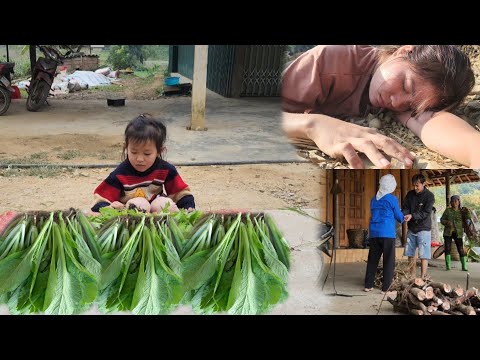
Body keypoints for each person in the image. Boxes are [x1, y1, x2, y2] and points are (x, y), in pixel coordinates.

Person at [282, 45, 478, 169]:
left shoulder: (410, 98)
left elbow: (437, 125)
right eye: (405, 85)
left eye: (412, 105)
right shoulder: (329, 61)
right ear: (404, 51)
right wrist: (313, 125)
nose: (398, 103)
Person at [91, 113, 195, 213]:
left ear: (159, 151)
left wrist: (188, 208)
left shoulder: (166, 170)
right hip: (132, 217)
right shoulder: (119, 174)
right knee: (139, 204)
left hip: (158, 214)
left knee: (163, 204)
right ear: (126, 147)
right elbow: (101, 199)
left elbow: (180, 193)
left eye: (147, 153)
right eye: (134, 152)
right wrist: (110, 208)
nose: (140, 159)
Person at [364, 174, 404, 293]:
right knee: (388, 261)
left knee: (372, 260)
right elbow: (398, 215)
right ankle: (386, 287)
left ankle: (368, 285)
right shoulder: (392, 199)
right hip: (387, 233)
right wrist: (403, 218)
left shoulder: (373, 199)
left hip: (374, 233)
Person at [402, 174, 435, 279]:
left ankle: (423, 277)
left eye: (417, 185)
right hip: (411, 228)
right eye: (414, 186)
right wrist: (405, 214)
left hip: (424, 228)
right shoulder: (410, 194)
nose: (415, 188)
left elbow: (426, 213)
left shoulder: (429, 196)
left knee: (424, 254)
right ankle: (412, 277)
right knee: (410, 252)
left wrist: (412, 216)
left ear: (424, 183)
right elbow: (406, 207)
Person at [440, 195, 470, 271]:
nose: (455, 202)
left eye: (456, 201)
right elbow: (442, 219)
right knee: (448, 248)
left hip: (458, 232)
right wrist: (447, 222)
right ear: (451, 202)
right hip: (448, 233)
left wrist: (468, 215)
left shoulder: (463, 211)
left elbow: (468, 219)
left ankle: (464, 266)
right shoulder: (448, 210)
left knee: (460, 249)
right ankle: (448, 266)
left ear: (459, 201)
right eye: (453, 201)